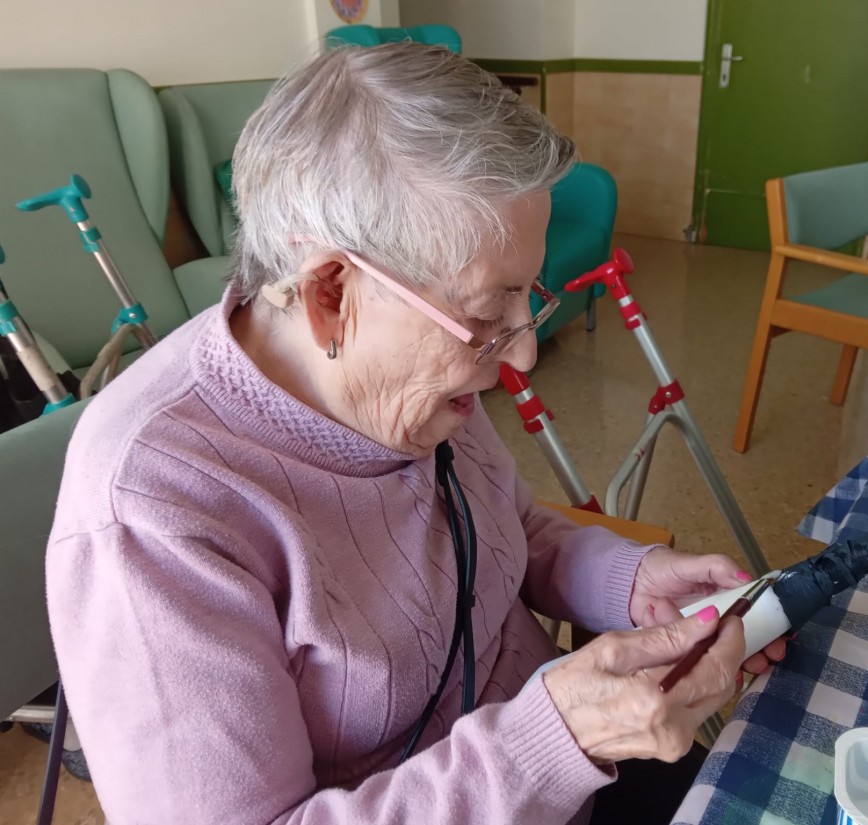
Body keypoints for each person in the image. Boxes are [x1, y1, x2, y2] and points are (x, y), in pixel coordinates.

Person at [46, 43, 784, 825]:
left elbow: (501, 524)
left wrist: (626, 580)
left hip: (565, 766)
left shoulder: (408, 381)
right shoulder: (153, 508)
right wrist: (555, 740)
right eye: (488, 311)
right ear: (331, 292)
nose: (523, 353)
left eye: (526, 297)